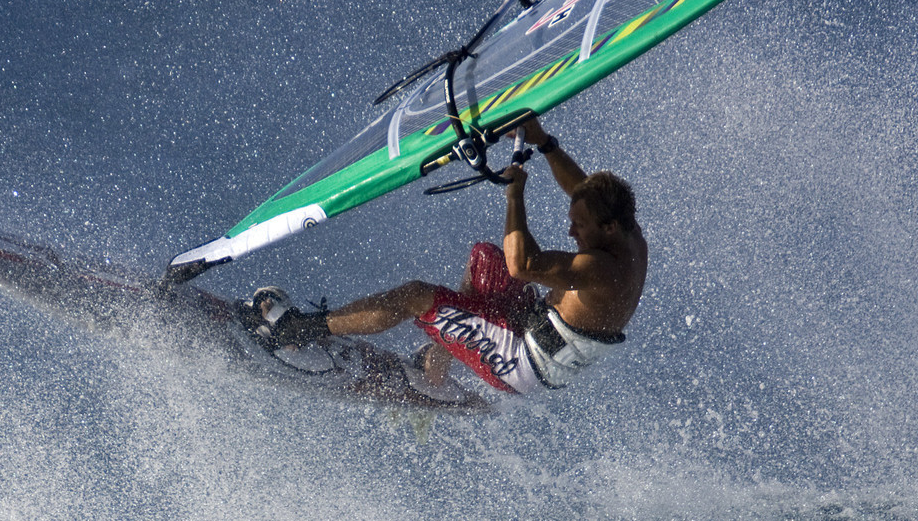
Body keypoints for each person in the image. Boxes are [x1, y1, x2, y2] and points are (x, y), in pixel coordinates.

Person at [245, 117, 645, 397]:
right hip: (535, 325)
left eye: (580, 226)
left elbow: (522, 265)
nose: (571, 230)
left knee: (416, 296)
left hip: (524, 362)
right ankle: (435, 368)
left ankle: (297, 331)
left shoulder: (600, 270)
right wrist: (543, 142)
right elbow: (582, 191)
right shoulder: (627, 233)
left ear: (608, 227)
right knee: (485, 258)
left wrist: (514, 193)